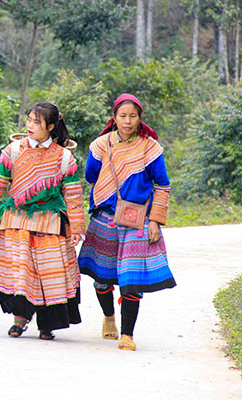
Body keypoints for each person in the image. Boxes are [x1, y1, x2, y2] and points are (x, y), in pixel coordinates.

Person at [0, 102, 85, 340]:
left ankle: (47, 325)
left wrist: (77, 228)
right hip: (17, 221)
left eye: (36, 122)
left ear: (51, 127)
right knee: (21, 272)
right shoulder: (12, 151)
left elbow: (73, 194)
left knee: (49, 273)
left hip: (50, 222)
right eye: (29, 120)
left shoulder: (64, 157)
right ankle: (20, 319)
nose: (30, 126)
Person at [78, 93, 176, 351]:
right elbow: (90, 176)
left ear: (140, 118)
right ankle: (109, 316)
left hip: (137, 219)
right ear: (114, 118)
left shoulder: (149, 147)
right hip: (105, 216)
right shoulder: (100, 145)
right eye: (123, 116)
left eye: (133, 116)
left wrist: (155, 220)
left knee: (131, 278)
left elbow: (163, 185)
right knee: (102, 277)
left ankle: (128, 334)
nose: (128, 121)